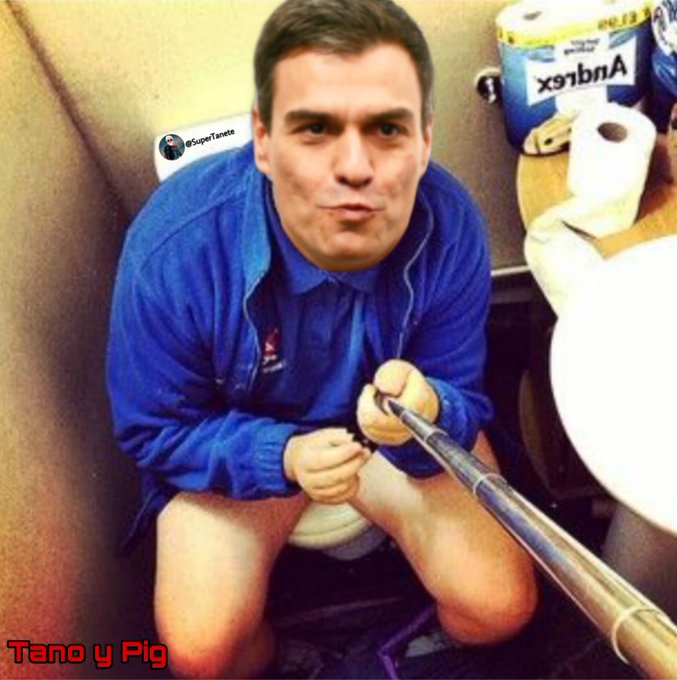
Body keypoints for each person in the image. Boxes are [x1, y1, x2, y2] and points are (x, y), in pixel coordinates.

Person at [106, 0, 537, 676]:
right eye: (314, 130)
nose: (353, 172)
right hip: (247, 440)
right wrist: (280, 457)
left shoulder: (448, 223)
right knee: (201, 654)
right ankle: (289, 659)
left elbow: (460, 391)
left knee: (501, 607)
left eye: (386, 129)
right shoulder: (173, 250)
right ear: (263, 139)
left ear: (423, 140)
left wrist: (428, 409)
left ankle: (407, 649)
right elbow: (155, 429)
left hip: (387, 442)